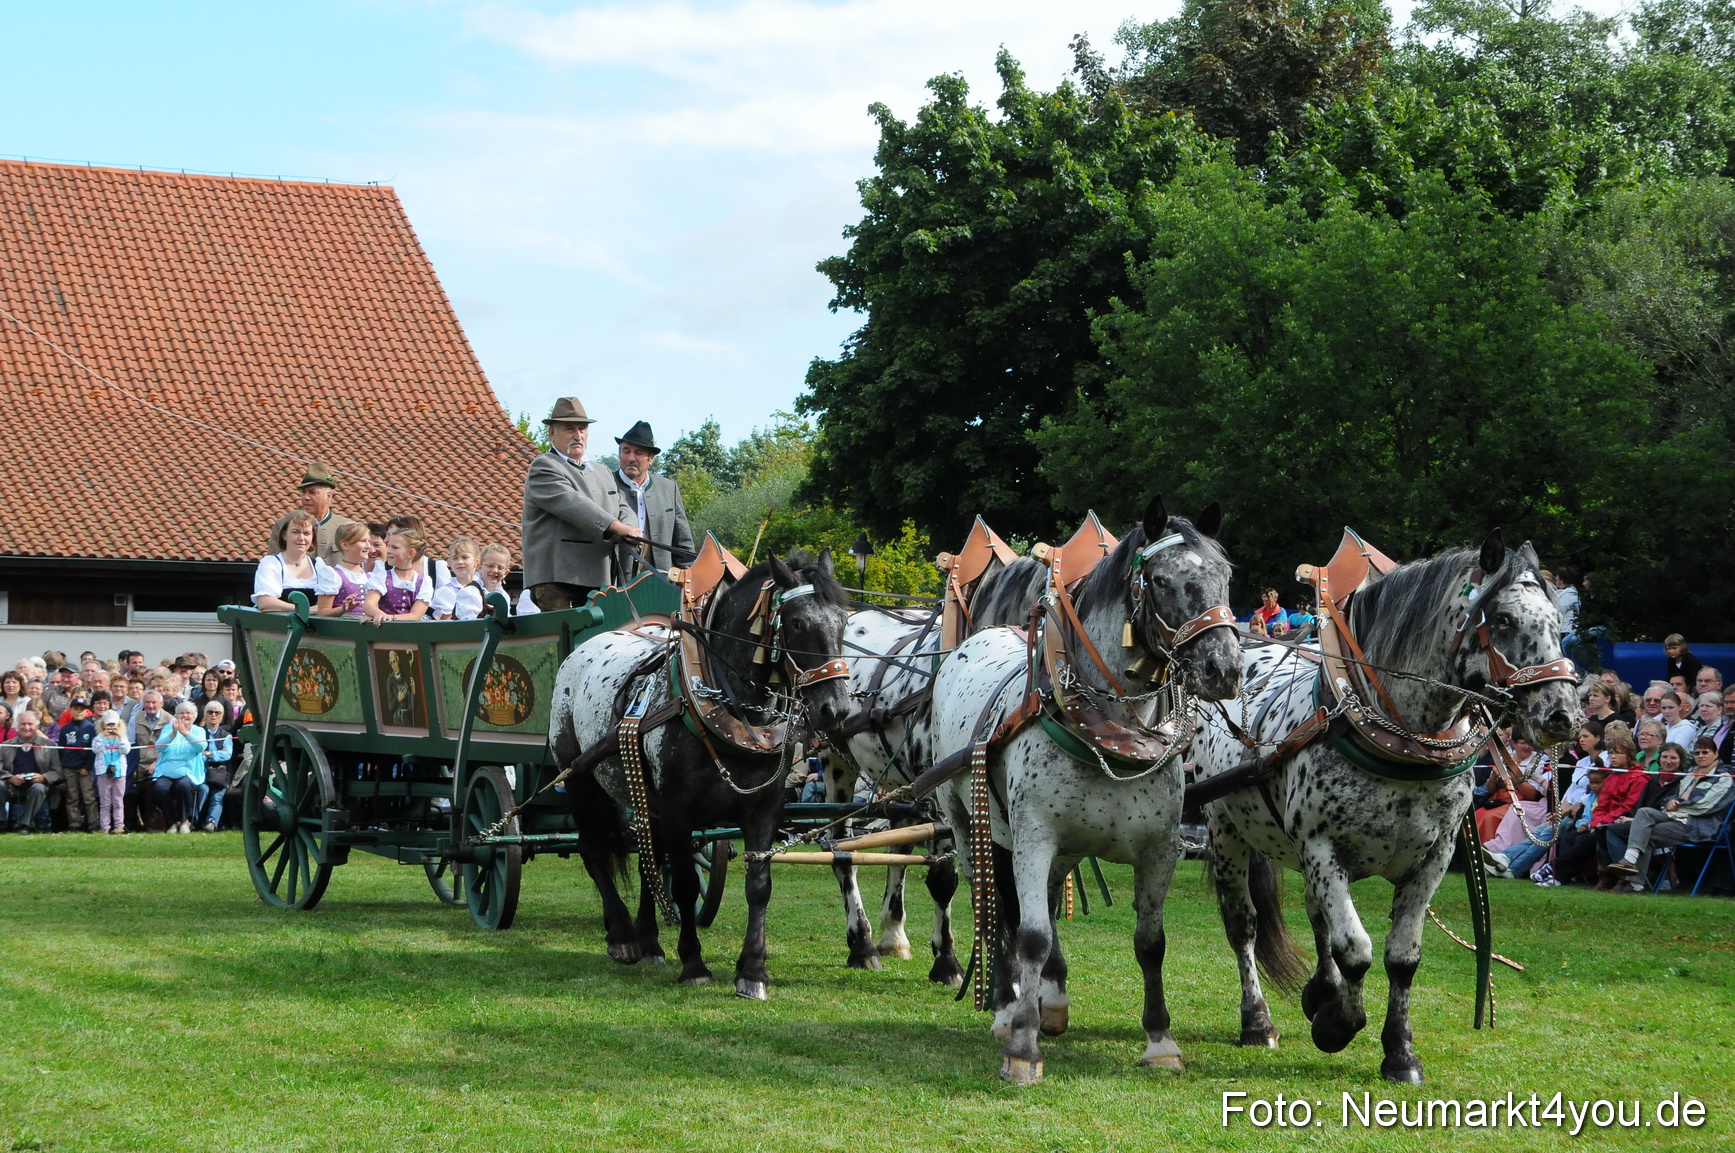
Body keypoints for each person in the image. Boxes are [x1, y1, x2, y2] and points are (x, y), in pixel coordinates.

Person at [520, 396, 638, 610]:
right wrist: (618, 527)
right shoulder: (544, 466)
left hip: (600, 580)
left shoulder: (601, 471)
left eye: (582, 429)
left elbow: (622, 505)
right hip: (559, 580)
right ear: (552, 433)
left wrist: (631, 528)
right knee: (566, 641)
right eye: (569, 429)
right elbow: (574, 504)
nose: (578, 435)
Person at [1603, 737, 1734, 893]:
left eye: (1705, 752)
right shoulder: (1691, 774)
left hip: (1698, 825)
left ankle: (1635, 884)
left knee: (1647, 836)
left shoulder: (1724, 777)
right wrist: (1670, 802)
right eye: (1697, 753)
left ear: (1716, 754)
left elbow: (1706, 806)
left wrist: (1678, 805)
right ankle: (1630, 859)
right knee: (1644, 812)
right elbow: (1673, 796)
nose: (1701, 756)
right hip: (1676, 816)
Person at [611, 421, 697, 573]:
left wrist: (688, 580)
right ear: (619, 454)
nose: (631, 458)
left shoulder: (669, 489)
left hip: (660, 584)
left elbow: (683, 546)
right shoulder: (606, 484)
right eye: (626, 451)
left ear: (651, 459)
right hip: (615, 582)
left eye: (638, 452)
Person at [266, 463, 358, 566]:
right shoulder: (284, 524)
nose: (306, 497)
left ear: (328, 496)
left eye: (312, 492)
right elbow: (272, 563)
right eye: (303, 492)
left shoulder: (348, 527)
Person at [254, 511, 334, 612]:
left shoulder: (319, 565)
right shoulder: (271, 563)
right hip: (279, 626)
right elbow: (265, 603)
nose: (301, 538)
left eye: (306, 533)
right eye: (295, 532)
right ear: (284, 535)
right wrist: (305, 610)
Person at [0, 712, 62, 834]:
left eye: (30, 724)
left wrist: (43, 777)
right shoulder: (6, 745)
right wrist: (11, 778)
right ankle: (1, 822)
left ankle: (25, 824)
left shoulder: (49, 745)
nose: (26, 727)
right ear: (18, 725)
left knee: (38, 788)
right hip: (12, 784)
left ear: (37, 726)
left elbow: (58, 772)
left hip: (38, 784)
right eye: (23, 724)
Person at [152, 702, 206, 835]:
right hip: (166, 771)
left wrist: (185, 733)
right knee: (160, 788)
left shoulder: (199, 730)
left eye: (188, 713)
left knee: (183, 786)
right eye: (182, 713)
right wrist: (173, 734)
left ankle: (184, 821)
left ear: (194, 716)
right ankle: (171, 822)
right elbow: (159, 747)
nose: (185, 716)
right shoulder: (168, 729)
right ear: (176, 716)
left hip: (188, 772)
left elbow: (201, 747)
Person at [364, 527, 433, 625]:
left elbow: (415, 615)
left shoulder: (424, 582)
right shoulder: (382, 577)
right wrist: (379, 614)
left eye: (394, 547)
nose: (388, 551)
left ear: (411, 553)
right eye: (388, 546)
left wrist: (389, 617)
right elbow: (368, 605)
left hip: (411, 634)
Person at [128, 690, 172, 832]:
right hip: (139, 762)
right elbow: (131, 744)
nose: (150, 705)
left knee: (153, 789)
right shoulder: (135, 719)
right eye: (147, 702)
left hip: (161, 763)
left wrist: (157, 763)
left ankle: (156, 823)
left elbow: (171, 748)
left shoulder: (170, 720)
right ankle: (134, 823)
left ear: (161, 703)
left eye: (154, 702)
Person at [59, 694, 99, 832]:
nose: (79, 711)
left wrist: (87, 766)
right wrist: (64, 764)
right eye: (76, 708)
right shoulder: (65, 729)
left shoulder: (91, 728)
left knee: (89, 796)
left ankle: (93, 823)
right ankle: (74, 824)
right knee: (72, 797)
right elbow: (61, 748)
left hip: (85, 768)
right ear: (70, 710)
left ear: (87, 711)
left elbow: (93, 750)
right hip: (69, 767)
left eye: (82, 709)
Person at [315, 522, 372, 618]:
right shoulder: (333, 575)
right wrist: (343, 609)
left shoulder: (370, 577)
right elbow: (322, 612)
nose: (368, 546)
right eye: (363, 541)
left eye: (369, 541)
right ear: (345, 544)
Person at [197, 700, 234, 832]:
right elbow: (196, 753)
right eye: (210, 712)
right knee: (202, 790)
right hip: (200, 771)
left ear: (221, 716)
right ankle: (194, 820)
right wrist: (215, 754)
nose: (213, 715)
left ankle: (211, 823)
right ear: (205, 715)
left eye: (217, 713)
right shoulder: (198, 732)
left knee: (217, 796)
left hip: (220, 772)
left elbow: (227, 755)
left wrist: (209, 754)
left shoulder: (226, 736)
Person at [92, 710, 130, 834]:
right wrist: (102, 736)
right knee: (105, 802)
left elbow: (126, 750)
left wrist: (121, 736)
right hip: (103, 773)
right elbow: (95, 749)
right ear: (103, 726)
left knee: (118, 801)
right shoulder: (99, 739)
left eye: (114, 725)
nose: (111, 728)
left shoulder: (122, 739)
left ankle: (119, 825)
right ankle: (105, 826)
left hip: (119, 773)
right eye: (108, 725)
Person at [430, 537, 485, 621]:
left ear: (477, 560)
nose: (460, 561)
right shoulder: (445, 592)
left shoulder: (483, 586)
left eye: (464, 557)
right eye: (455, 558)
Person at [478, 544, 514, 612]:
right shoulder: (472, 592)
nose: (495, 570)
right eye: (490, 566)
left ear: (505, 573)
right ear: (479, 567)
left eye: (500, 567)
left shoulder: (504, 597)